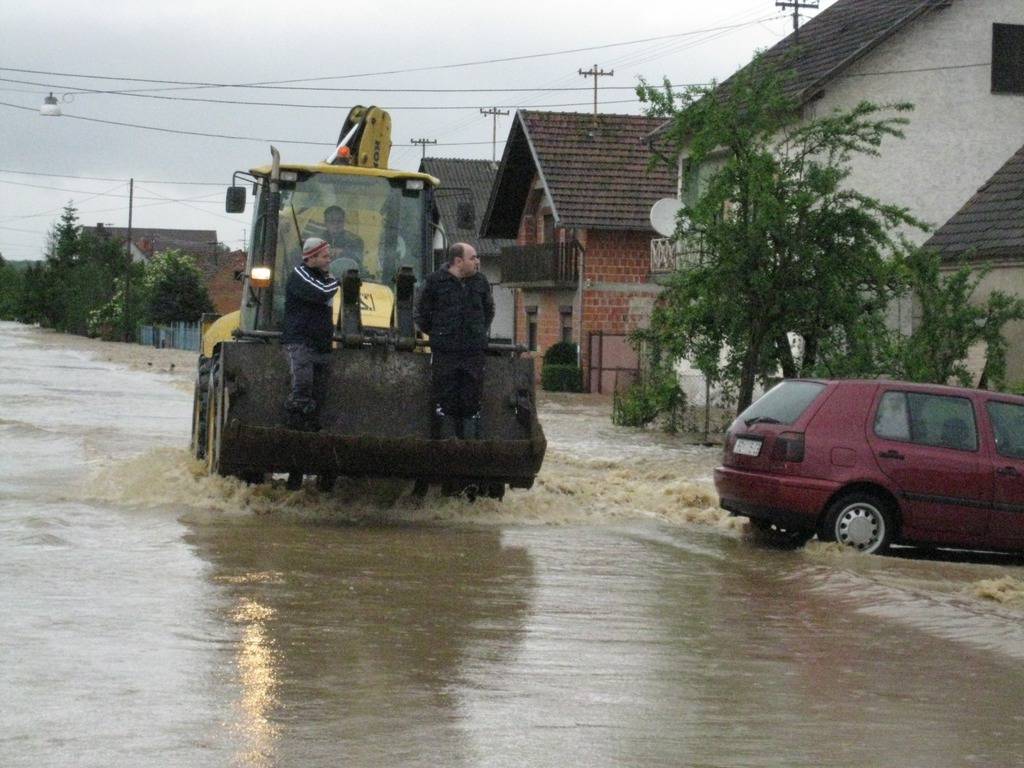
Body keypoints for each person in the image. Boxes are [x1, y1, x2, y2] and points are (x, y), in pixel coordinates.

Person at [414, 242, 495, 439]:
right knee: (445, 396)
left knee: (471, 398)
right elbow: (422, 314)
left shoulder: (481, 282)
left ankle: (469, 443)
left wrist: (476, 333)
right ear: (458, 261)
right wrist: (439, 334)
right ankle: (443, 440)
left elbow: (488, 311)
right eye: (473, 257)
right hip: (446, 351)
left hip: (472, 351)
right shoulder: (434, 282)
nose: (477, 261)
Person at [281, 237, 339, 433]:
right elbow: (322, 293)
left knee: (320, 388)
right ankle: (294, 422)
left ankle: (313, 423)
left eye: (329, 256)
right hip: (301, 341)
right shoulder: (300, 275)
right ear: (311, 257)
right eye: (325, 256)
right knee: (303, 383)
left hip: (321, 342)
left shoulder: (322, 277)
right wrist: (338, 282)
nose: (328, 260)